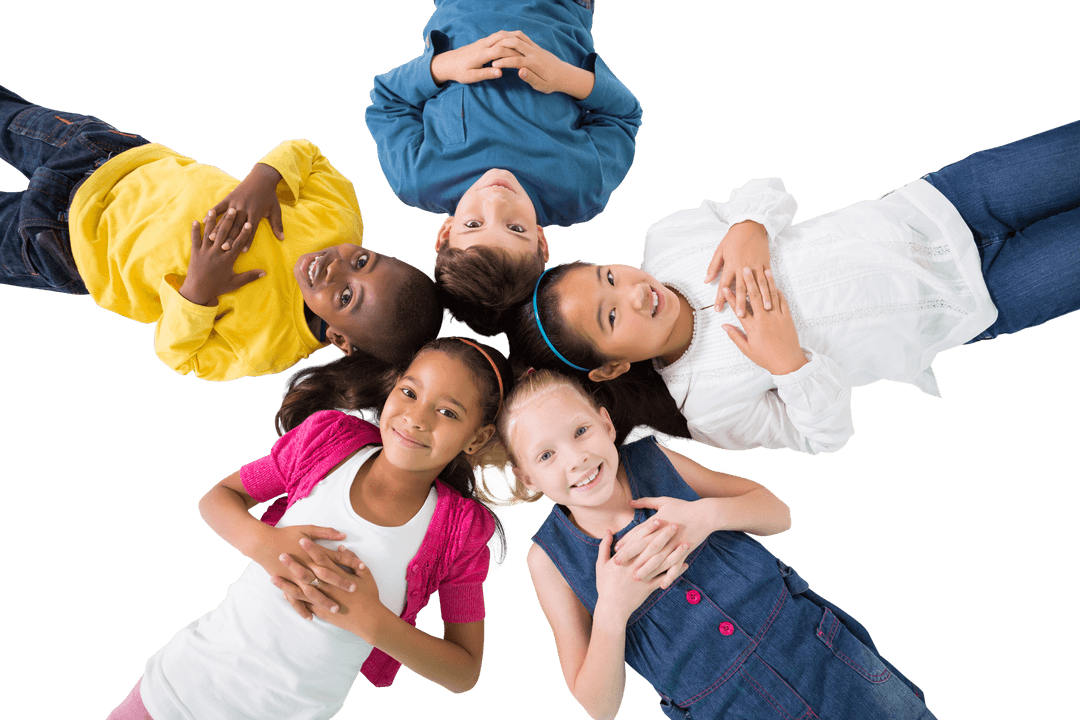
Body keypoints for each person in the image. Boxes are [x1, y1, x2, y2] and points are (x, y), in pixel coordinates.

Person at [507, 120, 1080, 453]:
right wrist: (789, 364)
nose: (633, 293)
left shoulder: (668, 240)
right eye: (610, 318)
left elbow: (768, 190)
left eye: (609, 276)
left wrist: (750, 225)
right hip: (979, 300)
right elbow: (825, 436)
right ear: (610, 368)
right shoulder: (707, 409)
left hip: (941, 204)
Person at [106, 337, 513, 720]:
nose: (416, 418)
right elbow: (218, 498)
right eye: (409, 392)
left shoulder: (462, 533)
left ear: (476, 438)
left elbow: (464, 672)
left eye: (448, 412)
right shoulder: (328, 442)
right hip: (176, 691)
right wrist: (266, 545)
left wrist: (370, 620)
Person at [493, 369, 936, 720]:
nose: (577, 459)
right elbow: (599, 707)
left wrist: (706, 516)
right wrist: (612, 609)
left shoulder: (652, 460)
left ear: (606, 424)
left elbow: (778, 514)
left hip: (821, 656)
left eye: (581, 431)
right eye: (546, 455)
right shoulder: (548, 559)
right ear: (527, 477)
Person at [0, 84, 442, 381]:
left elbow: (181, 357)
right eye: (363, 261)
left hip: (66, 247)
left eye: (346, 297)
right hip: (110, 160)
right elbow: (309, 155)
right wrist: (264, 178)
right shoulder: (339, 219)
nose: (336, 268)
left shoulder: (270, 347)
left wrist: (199, 291)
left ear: (339, 339)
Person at [365, 0, 642, 335]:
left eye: (473, 224)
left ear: (446, 233)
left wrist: (441, 67)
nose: (496, 201)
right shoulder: (580, 188)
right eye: (516, 228)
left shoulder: (416, 178)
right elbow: (624, 116)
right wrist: (565, 77)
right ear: (540, 241)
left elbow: (387, 101)